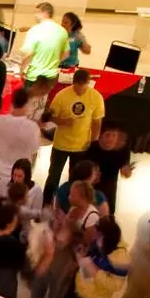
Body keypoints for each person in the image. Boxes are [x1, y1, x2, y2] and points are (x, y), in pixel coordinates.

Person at [43, 70, 102, 201]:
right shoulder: (62, 95)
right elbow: (49, 116)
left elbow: (97, 121)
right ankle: (47, 202)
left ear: (88, 83)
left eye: (83, 86)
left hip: (81, 146)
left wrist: (93, 142)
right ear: (73, 83)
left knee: (76, 179)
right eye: (77, 86)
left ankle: (70, 203)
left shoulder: (96, 97)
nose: (80, 90)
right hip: (61, 144)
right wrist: (62, 121)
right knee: (53, 176)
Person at [18, 1, 69, 101]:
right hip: (51, 77)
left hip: (34, 77)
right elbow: (66, 54)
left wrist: (21, 70)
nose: (35, 15)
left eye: (37, 12)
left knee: (29, 104)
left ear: (45, 13)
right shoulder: (62, 31)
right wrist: (53, 62)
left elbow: (28, 54)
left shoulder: (35, 30)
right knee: (42, 104)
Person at [0, 85, 43, 178]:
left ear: (12, 102)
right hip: (19, 176)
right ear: (27, 103)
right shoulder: (32, 127)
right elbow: (34, 150)